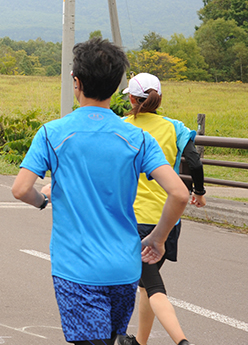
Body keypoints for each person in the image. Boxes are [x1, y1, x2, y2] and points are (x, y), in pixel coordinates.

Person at [11, 38, 189, 345]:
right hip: (124, 267)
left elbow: (21, 189)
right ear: (116, 84)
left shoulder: (53, 133)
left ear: (76, 82)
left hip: (76, 267)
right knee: (110, 337)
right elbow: (180, 194)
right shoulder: (139, 138)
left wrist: (43, 199)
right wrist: (158, 238)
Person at [122, 73, 206, 345]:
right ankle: (140, 342)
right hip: (168, 220)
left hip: (133, 220)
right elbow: (194, 161)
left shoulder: (123, 127)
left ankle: (182, 341)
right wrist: (199, 192)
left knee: (153, 287)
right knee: (147, 284)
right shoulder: (175, 127)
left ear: (132, 99)